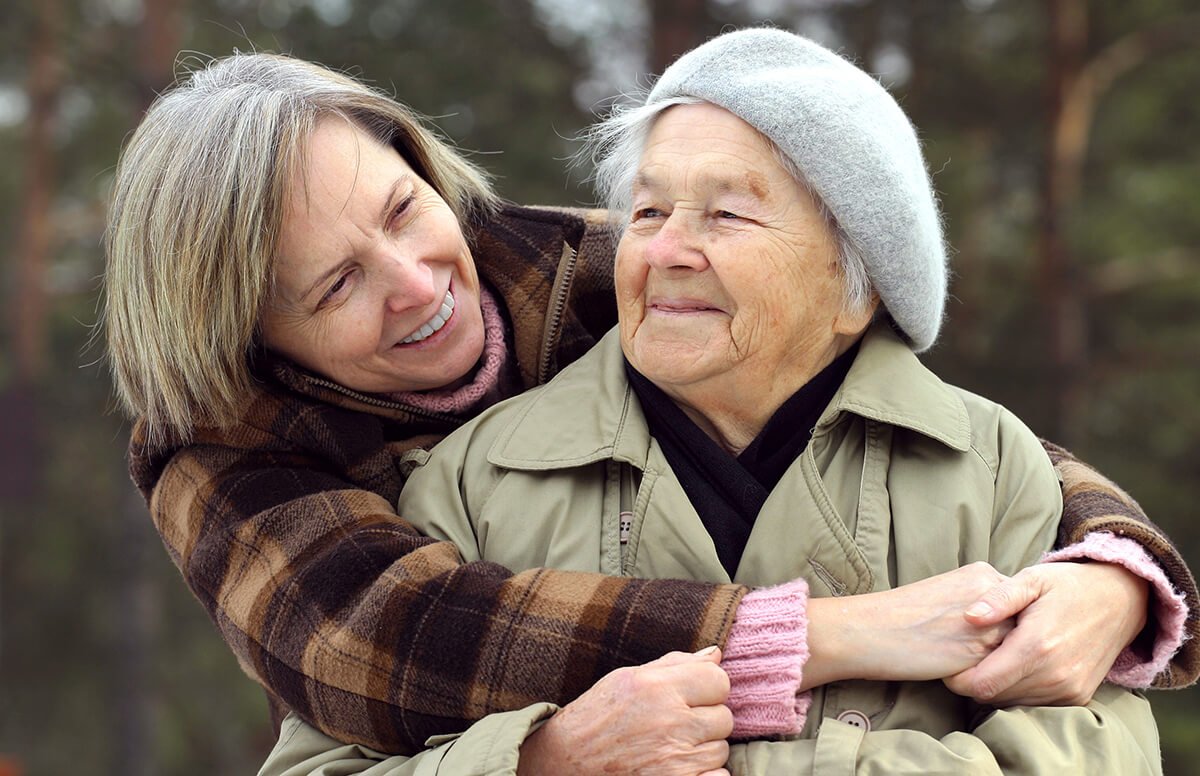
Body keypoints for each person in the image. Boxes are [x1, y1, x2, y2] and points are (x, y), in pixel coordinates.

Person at [100, 47, 1193, 767]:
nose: (420, 280)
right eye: (333, 286)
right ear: (255, 341)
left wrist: (1111, 564)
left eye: (403, 206)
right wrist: (550, 754)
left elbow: (919, 416)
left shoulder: (586, 264)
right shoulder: (227, 443)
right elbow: (387, 639)